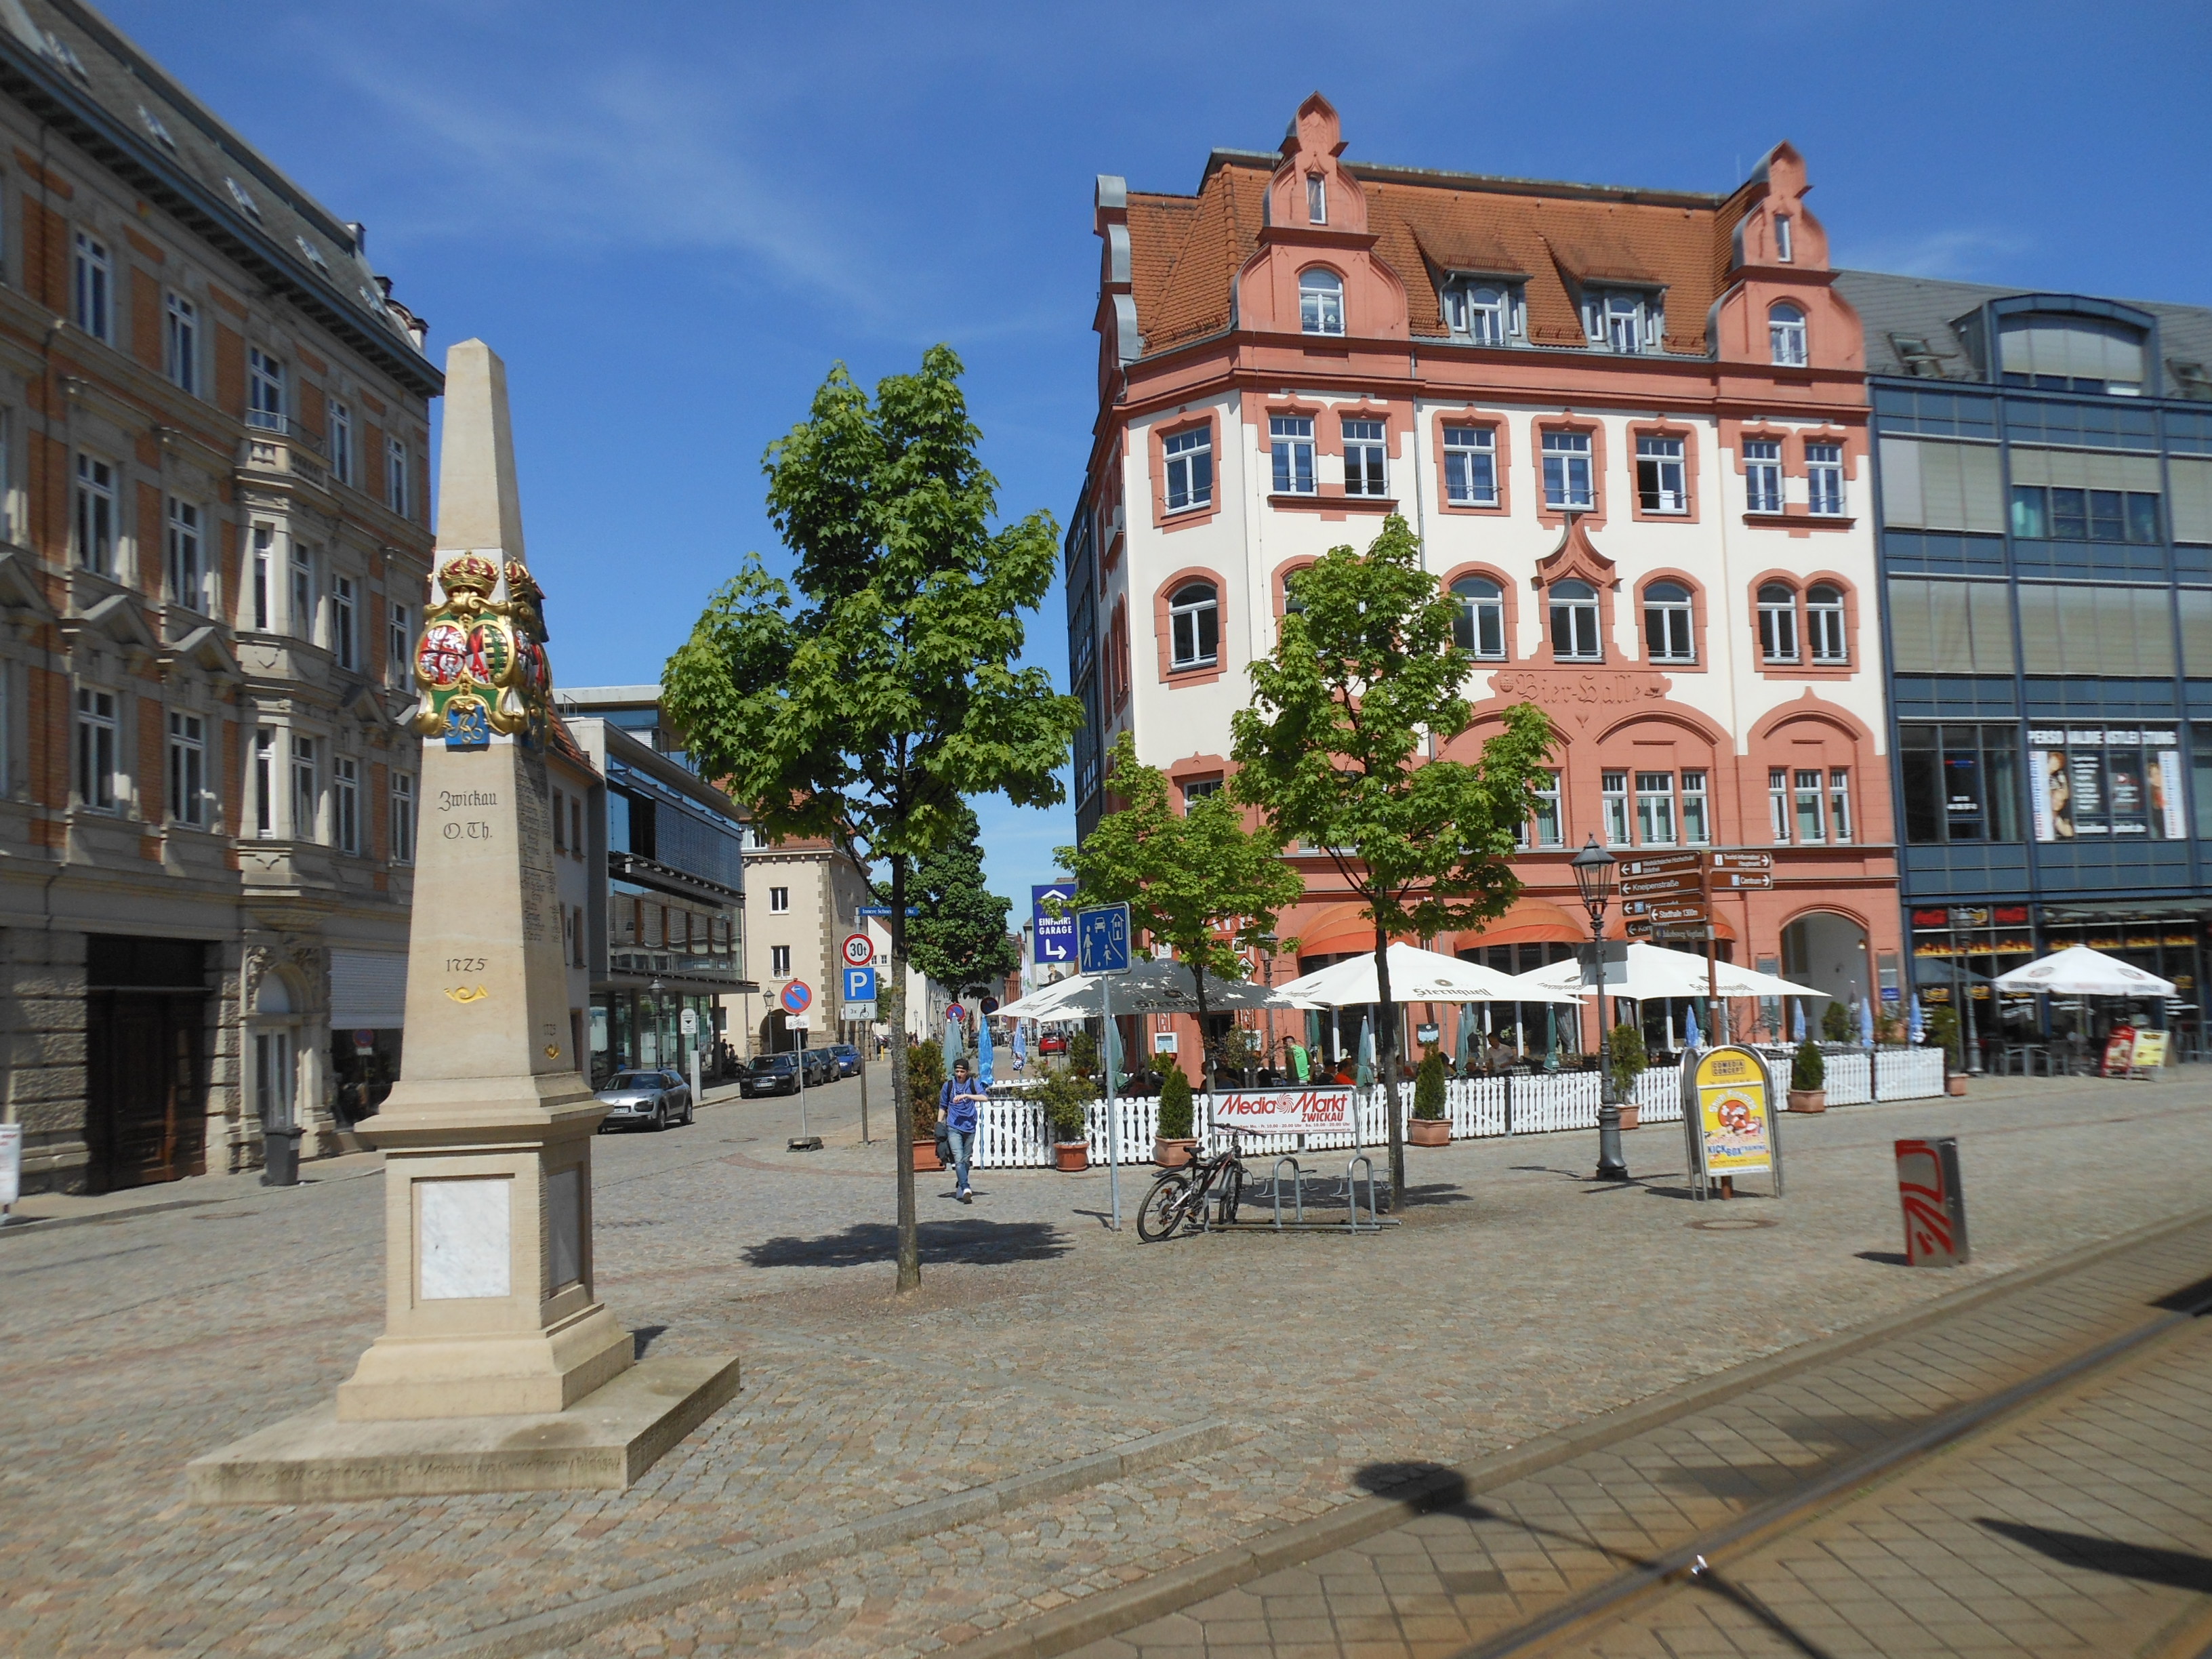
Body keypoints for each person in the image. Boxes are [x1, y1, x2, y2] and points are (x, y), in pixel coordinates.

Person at [937, 1057, 985, 1203]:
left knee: (965, 1160)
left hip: (970, 1127)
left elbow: (984, 1097)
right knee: (958, 1159)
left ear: (967, 1072)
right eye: (957, 1071)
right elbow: (942, 1105)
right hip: (953, 1127)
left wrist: (967, 1096)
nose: (959, 1074)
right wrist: (939, 1123)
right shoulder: (949, 1086)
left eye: (962, 1071)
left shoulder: (972, 1084)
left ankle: (960, 1185)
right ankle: (965, 1187)